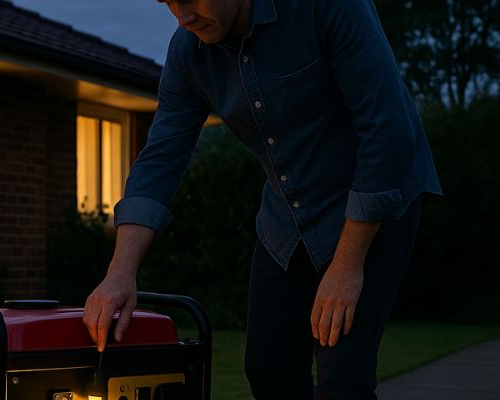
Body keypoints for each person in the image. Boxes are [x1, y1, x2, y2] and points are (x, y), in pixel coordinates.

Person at [80, 0, 441, 398]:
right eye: (168, 2)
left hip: (374, 203)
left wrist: (347, 267)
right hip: (286, 218)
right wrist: (120, 273)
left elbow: (386, 134)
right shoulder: (188, 52)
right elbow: (160, 159)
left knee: (343, 374)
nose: (182, 17)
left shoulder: (328, 8)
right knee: (269, 367)